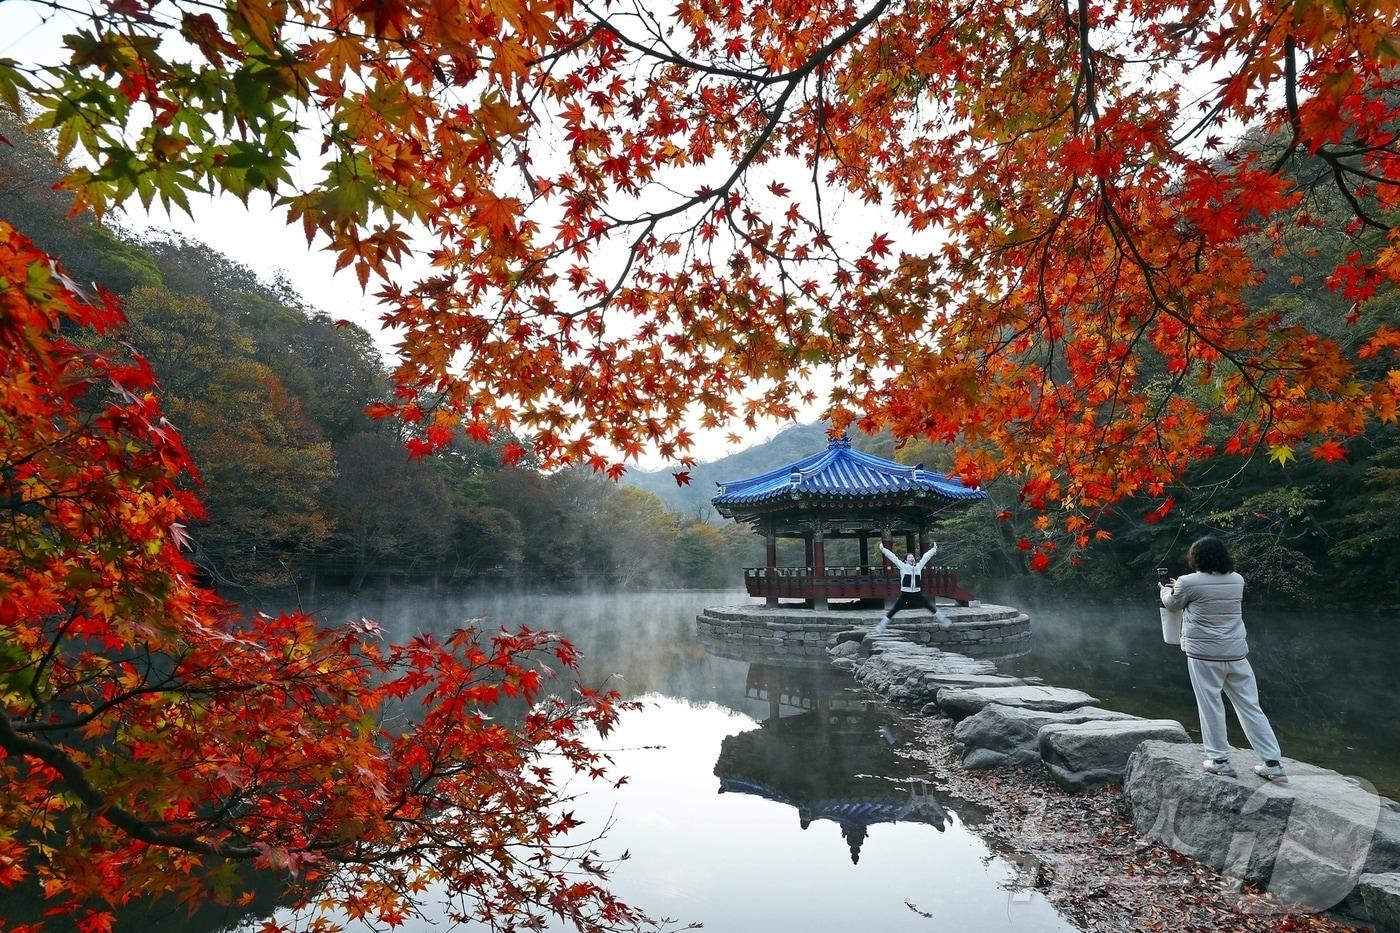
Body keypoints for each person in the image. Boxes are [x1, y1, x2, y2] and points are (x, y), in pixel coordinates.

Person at [1159, 536, 1288, 782]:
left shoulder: (1188, 581)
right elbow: (1208, 591)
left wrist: (1166, 588)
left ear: (1197, 557)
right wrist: (1181, 587)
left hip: (1204, 655)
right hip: (1236, 653)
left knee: (1210, 705)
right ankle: (1273, 763)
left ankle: (1220, 760)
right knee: (1250, 706)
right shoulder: (1236, 579)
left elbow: (1173, 604)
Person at [875, 543, 952, 633]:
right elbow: (893, 557)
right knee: (895, 609)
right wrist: (883, 549)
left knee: (928, 606)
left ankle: (943, 620)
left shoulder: (918, 566)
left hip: (916, 593)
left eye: (912, 557)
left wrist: (933, 550)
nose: (912, 558)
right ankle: (882, 625)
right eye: (909, 557)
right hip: (905, 593)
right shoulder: (903, 566)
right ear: (906, 561)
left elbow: (926, 557)